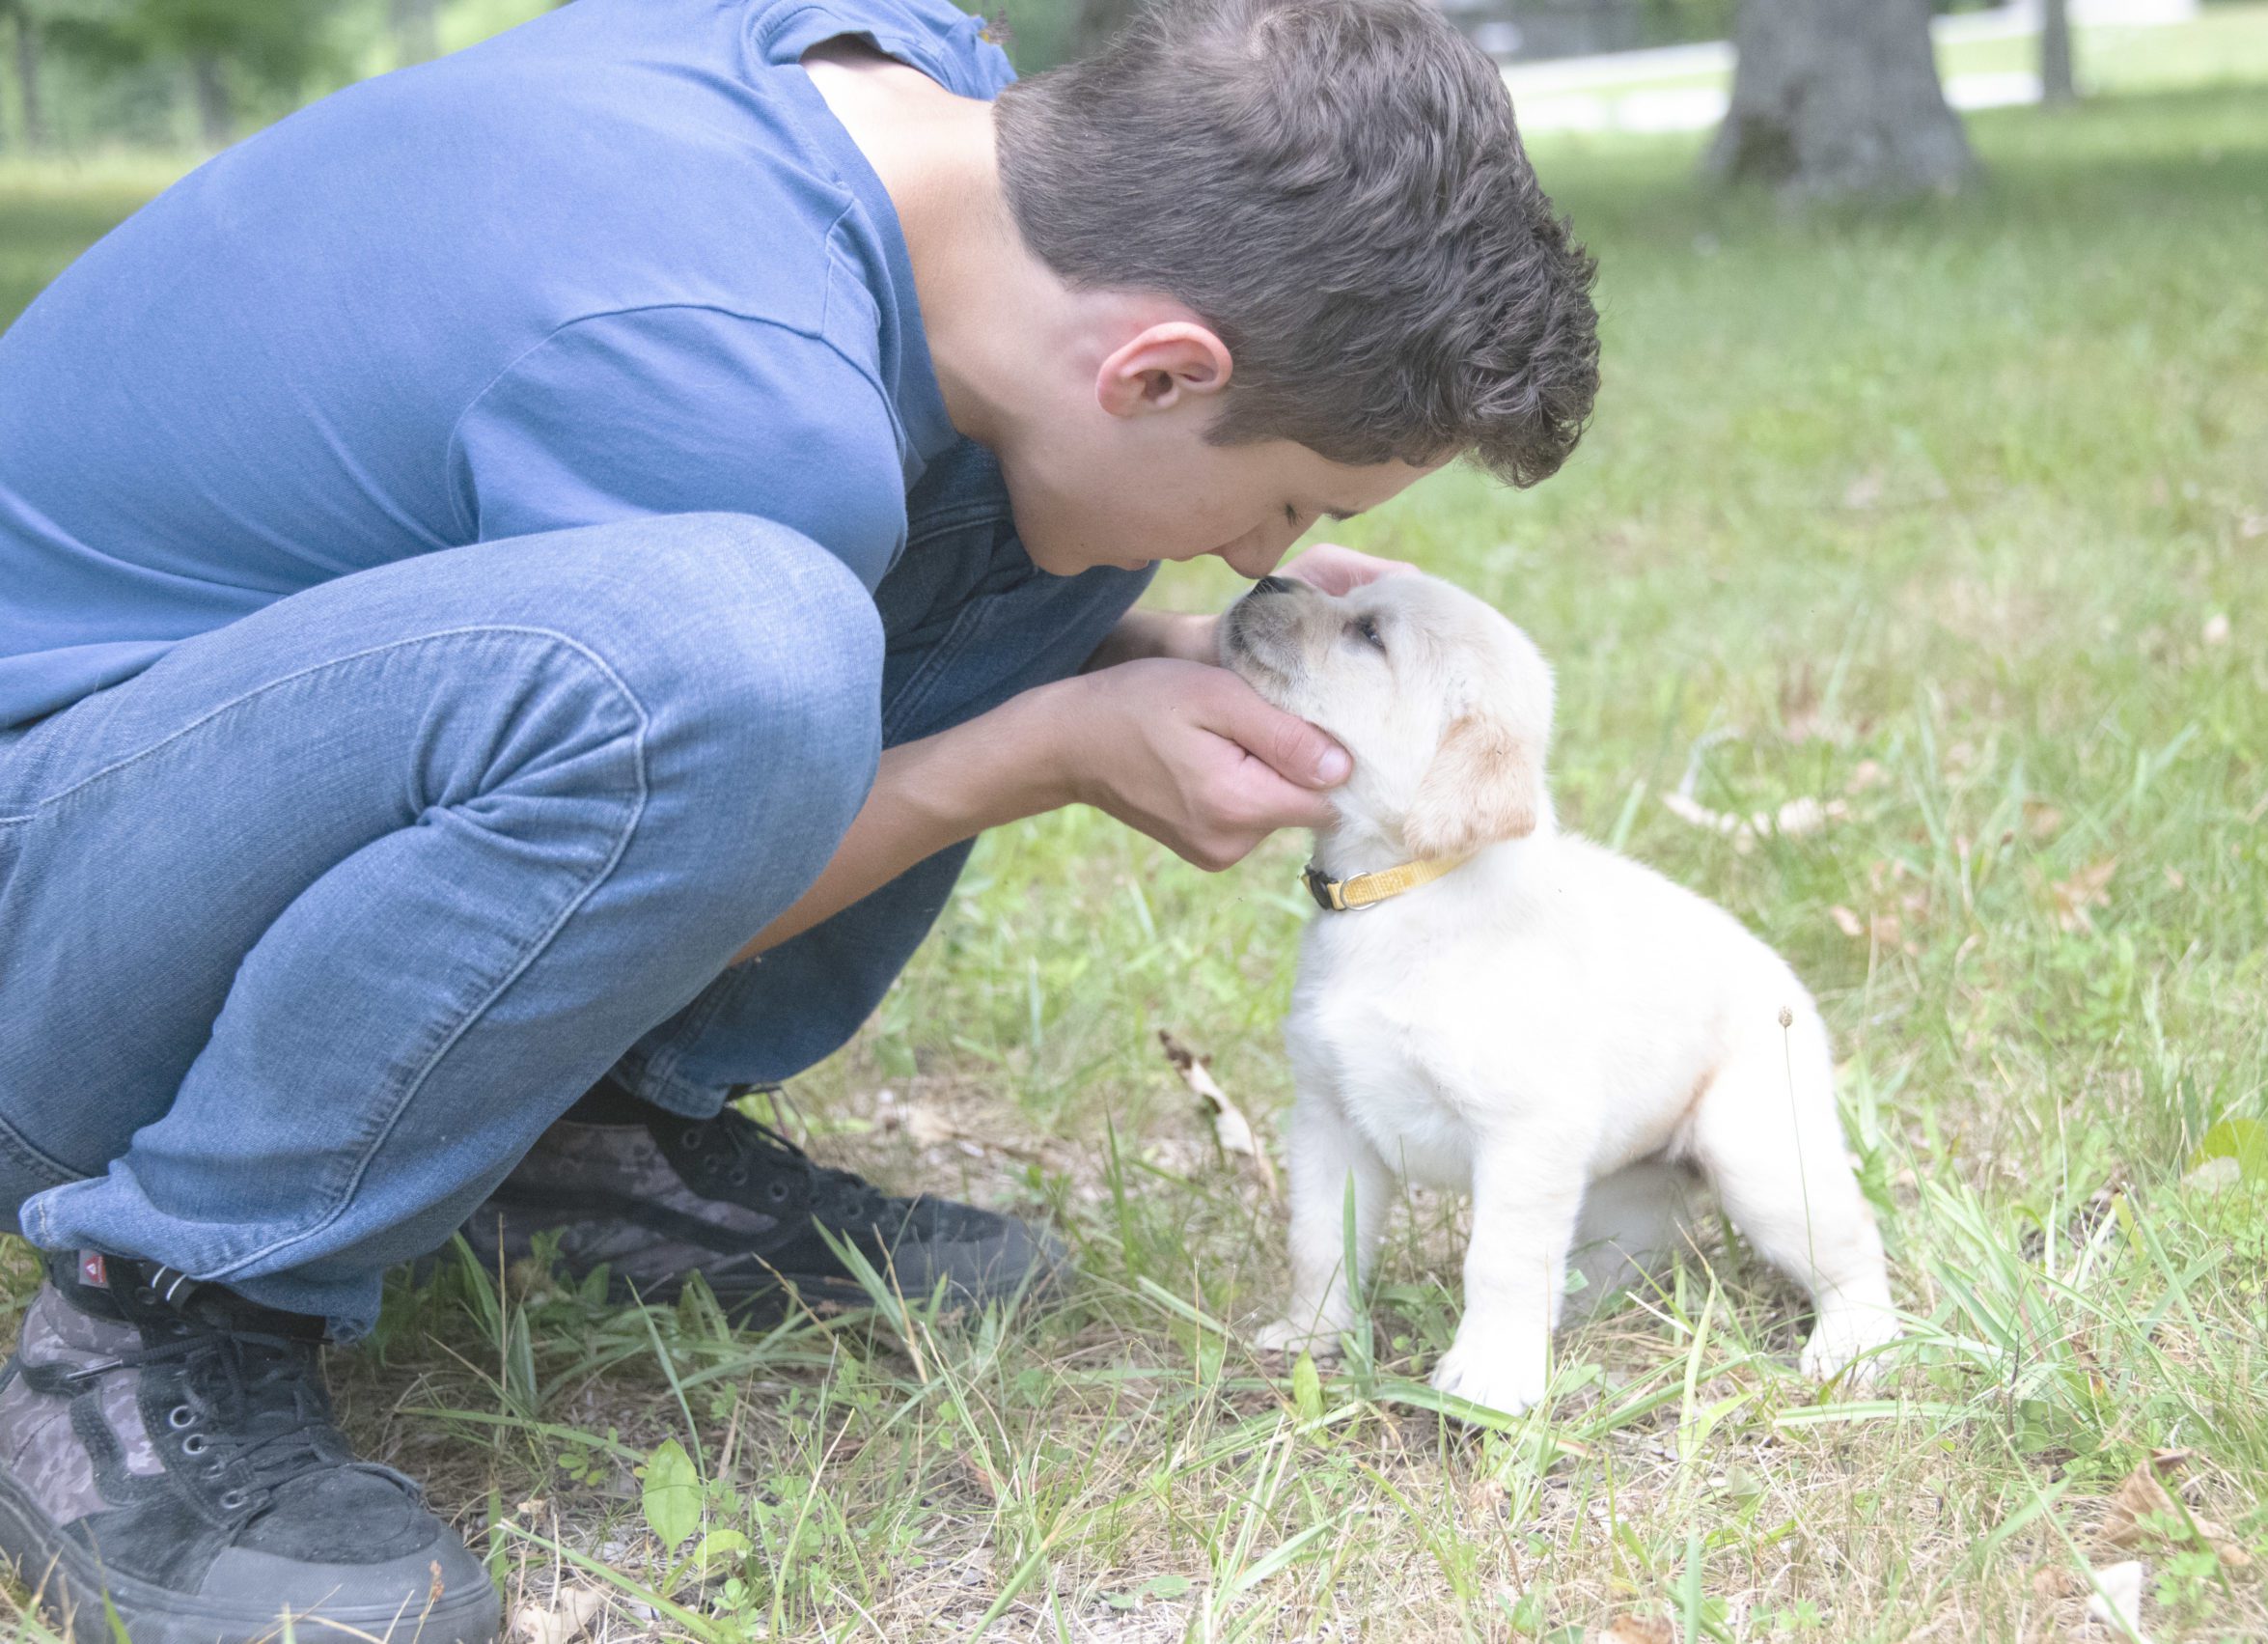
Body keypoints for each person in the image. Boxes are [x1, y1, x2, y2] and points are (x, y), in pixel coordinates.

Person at [0, 0, 1598, 1635]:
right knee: (747, 656)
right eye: (1292, 504)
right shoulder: (745, 404)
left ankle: (574, 1150)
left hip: (193, 770)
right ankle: (162, 1315)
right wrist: (1038, 747)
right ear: (1161, 365)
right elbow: (666, 778)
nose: (1266, 561)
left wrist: (1145, 659)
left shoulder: (905, 102)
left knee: (1019, 499)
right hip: (38, 925)